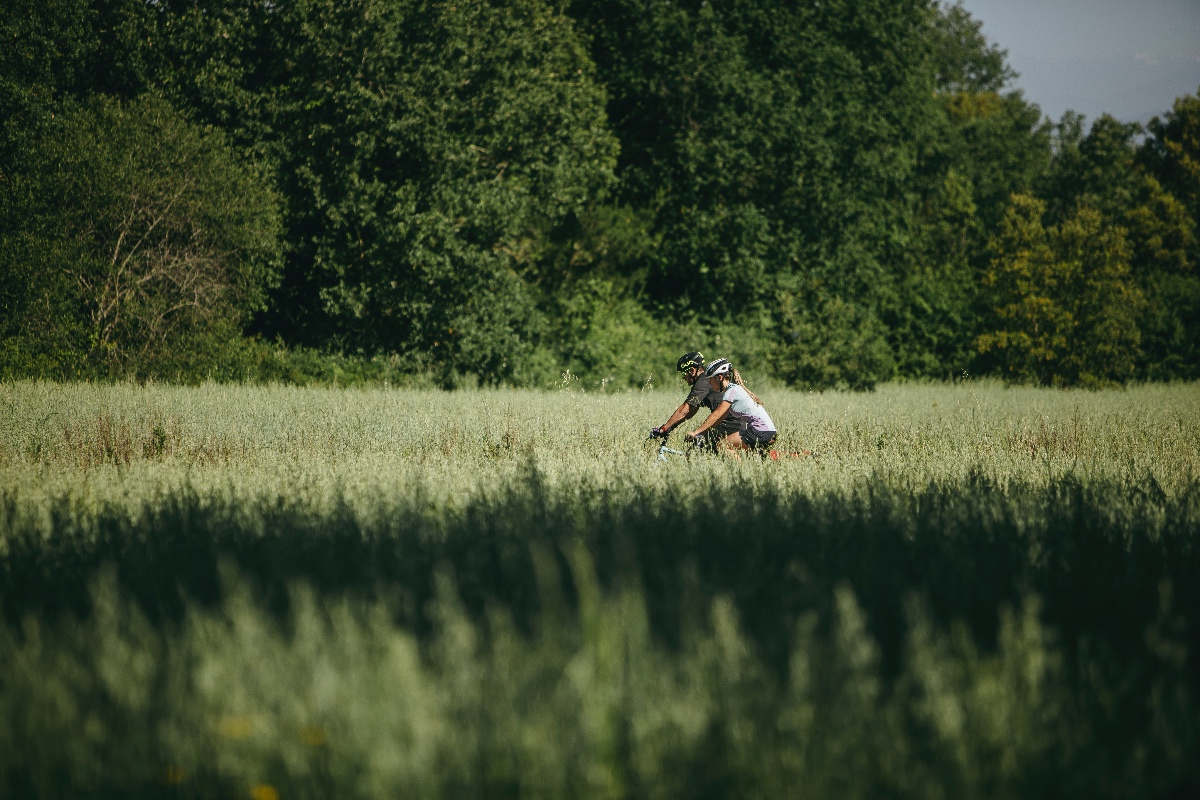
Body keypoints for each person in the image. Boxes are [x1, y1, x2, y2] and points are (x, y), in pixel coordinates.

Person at [649, 352, 742, 448]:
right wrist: (671, 427)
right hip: (730, 421)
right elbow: (691, 410)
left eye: (684, 373)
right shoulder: (705, 380)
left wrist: (664, 428)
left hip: (730, 422)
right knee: (702, 448)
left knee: (695, 450)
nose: (683, 377)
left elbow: (685, 409)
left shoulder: (703, 381)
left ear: (692, 370)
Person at [683, 358, 777, 452]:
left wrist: (695, 432)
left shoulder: (731, 392)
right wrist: (702, 432)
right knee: (748, 454)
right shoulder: (734, 390)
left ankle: (739, 467)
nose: (710, 383)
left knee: (722, 446)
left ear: (719, 377)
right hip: (767, 431)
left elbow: (716, 415)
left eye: (710, 379)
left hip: (760, 431)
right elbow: (720, 418)